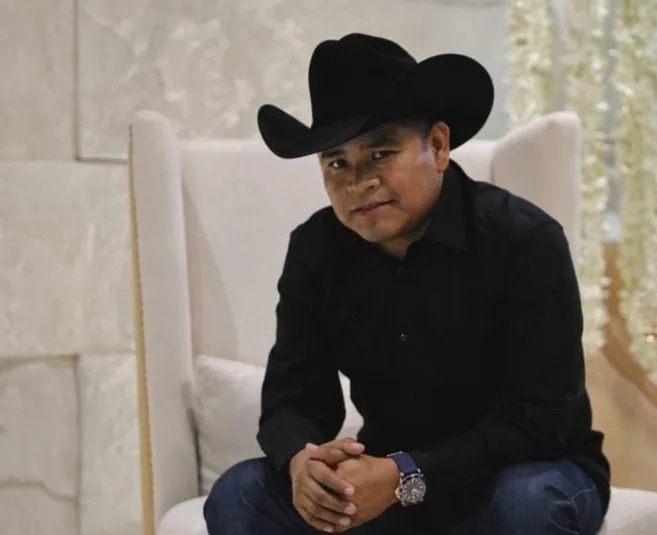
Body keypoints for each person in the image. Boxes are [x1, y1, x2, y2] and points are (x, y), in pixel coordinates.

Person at [203, 32, 610, 535]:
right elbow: (294, 397)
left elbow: (542, 422)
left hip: (525, 472)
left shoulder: (525, 240)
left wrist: (405, 475)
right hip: (389, 486)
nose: (359, 182)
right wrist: (301, 461)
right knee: (241, 493)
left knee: (527, 504)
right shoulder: (315, 249)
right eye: (337, 163)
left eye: (380, 153)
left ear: (437, 146)